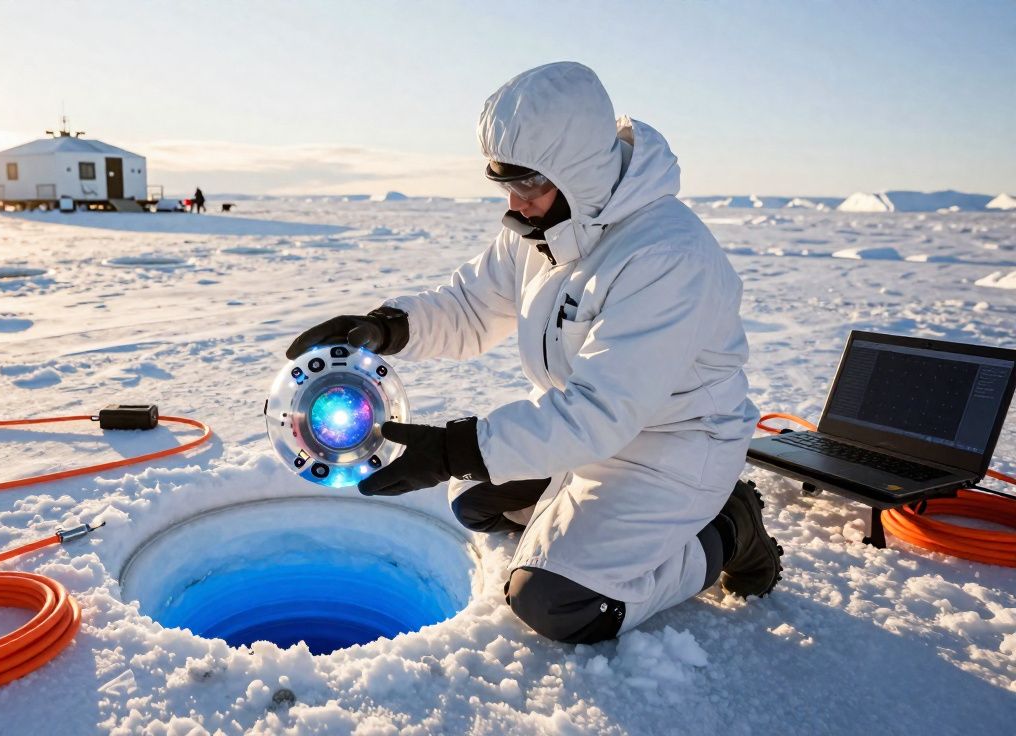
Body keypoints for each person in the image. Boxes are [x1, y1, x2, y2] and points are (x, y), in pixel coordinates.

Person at [285, 62, 778, 645]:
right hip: (584, 430)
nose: (516, 204)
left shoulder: (667, 257)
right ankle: (586, 521)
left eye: (530, 185)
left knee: (555, 601)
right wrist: (387, 328)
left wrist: (454, 447)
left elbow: (601, 412)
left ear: (581, 172)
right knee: (473, 501)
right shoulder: (547, 228)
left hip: (673, 445)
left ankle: (727, 527)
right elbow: (470, 306)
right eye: (506, 185)